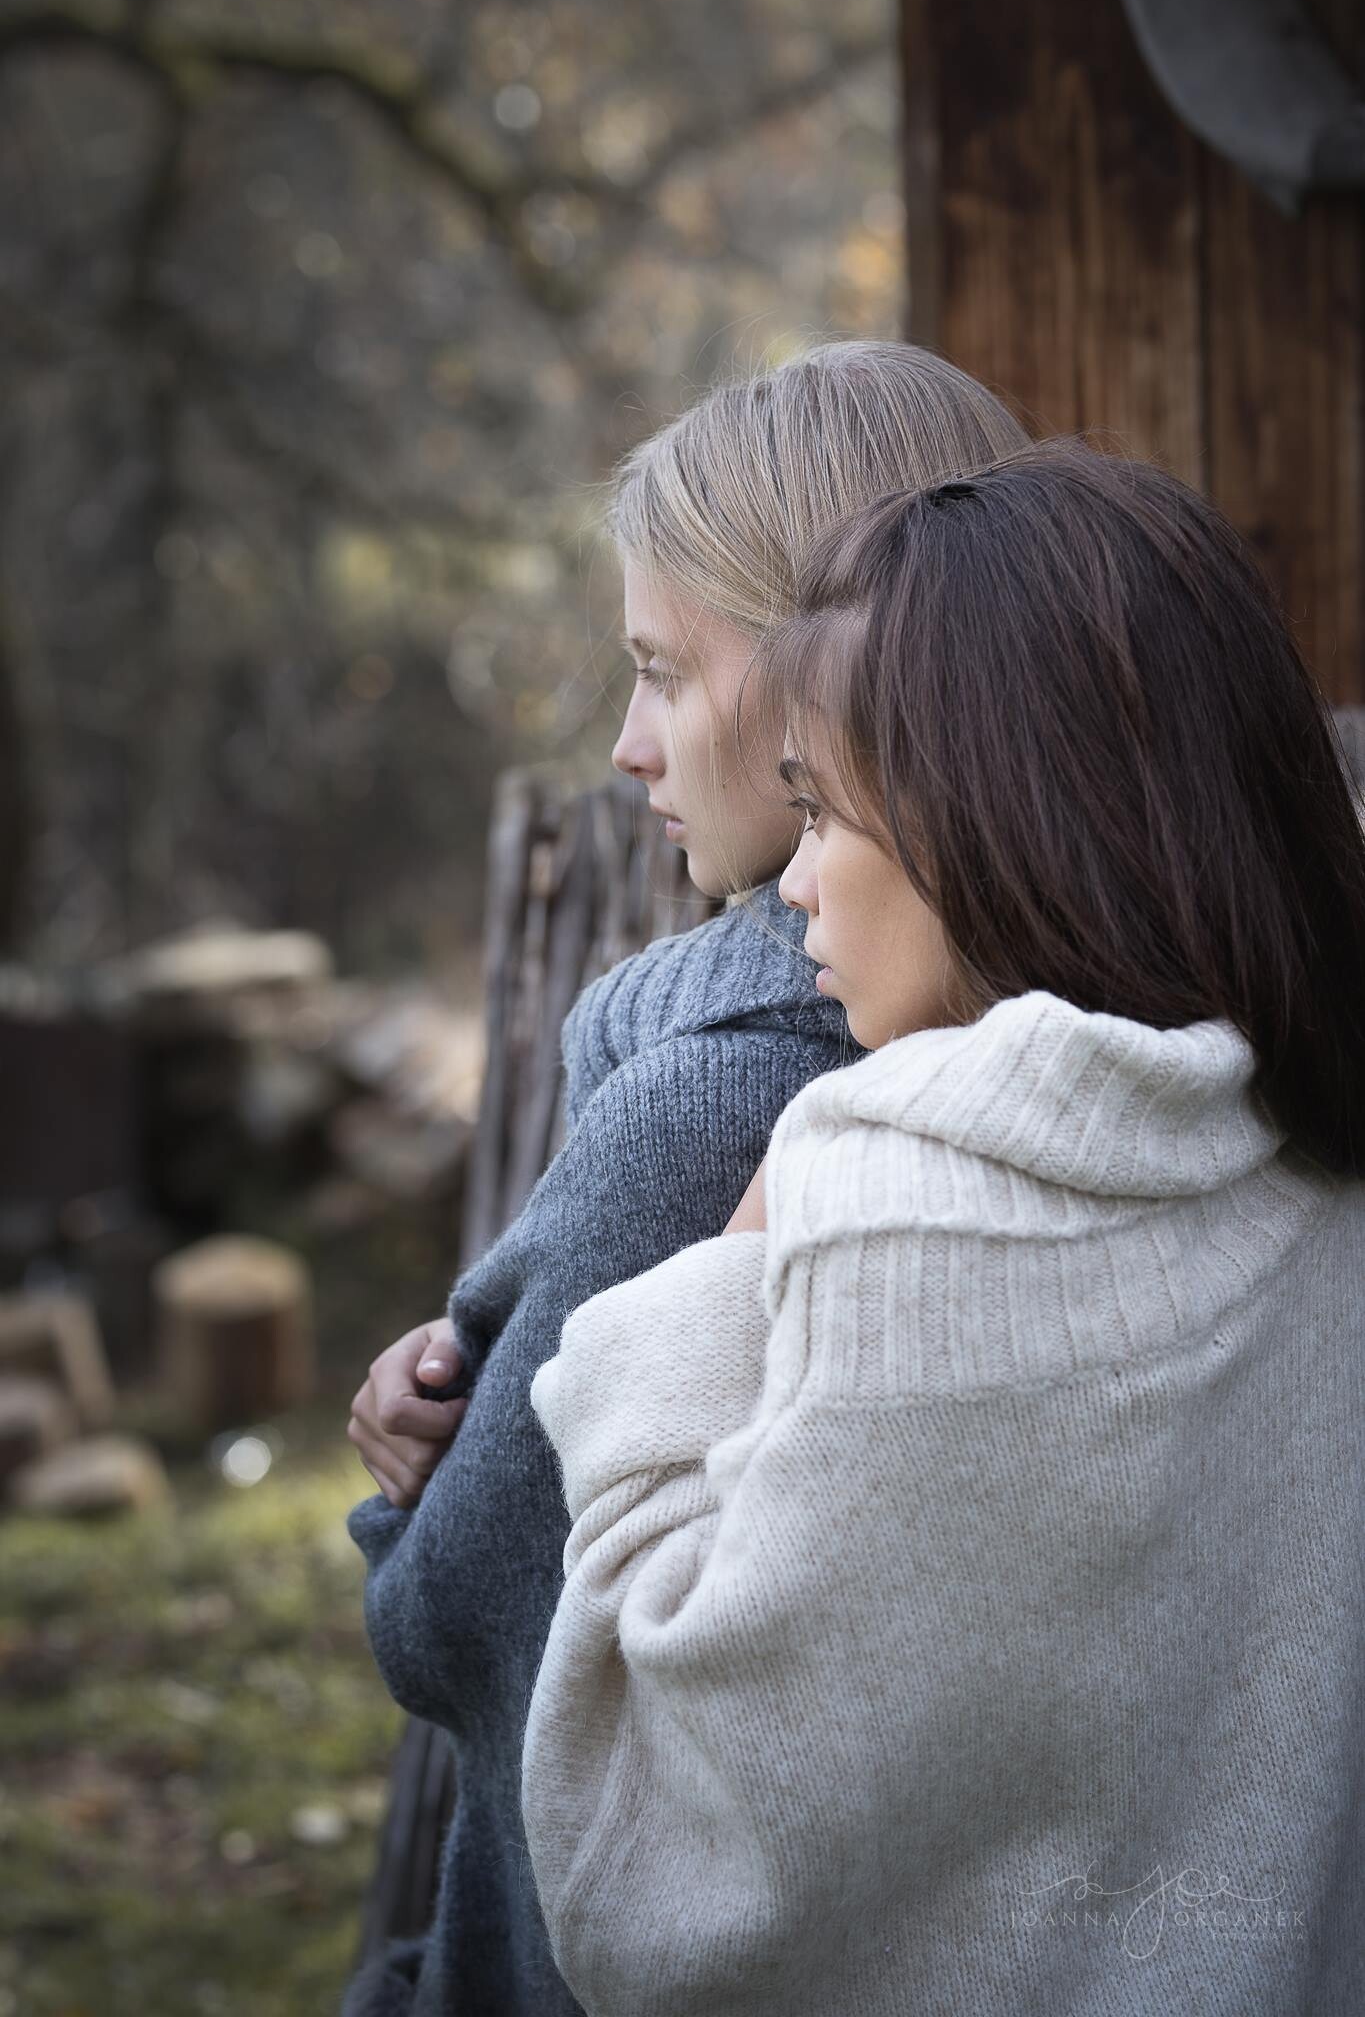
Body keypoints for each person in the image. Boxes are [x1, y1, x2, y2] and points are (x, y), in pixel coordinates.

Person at [520, 443, 1365, 2016]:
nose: (797, 887)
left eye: (820, 812)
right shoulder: (1322, 1159)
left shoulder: (896, 1200)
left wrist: (744, 1238)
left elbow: (664, 1859)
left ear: (998, 823)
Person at [340, 341, 1030, 2017]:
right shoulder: (1057, 1032)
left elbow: (463, 1615)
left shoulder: (729, 1094)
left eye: (660, 672)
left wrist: (414, 1496)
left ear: (823, 676)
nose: (627, 745)